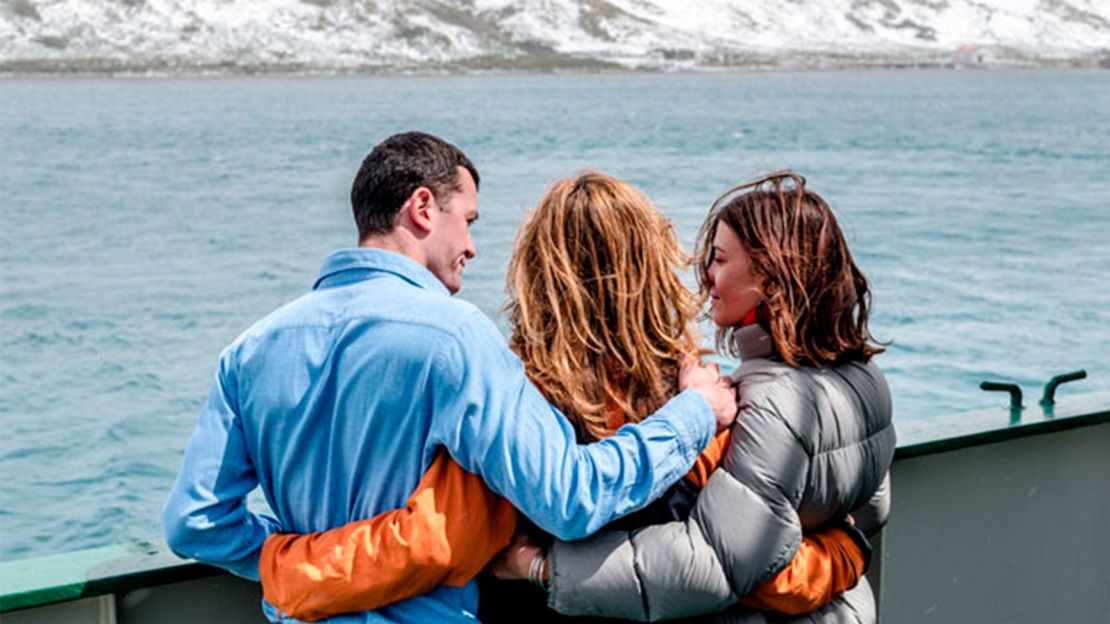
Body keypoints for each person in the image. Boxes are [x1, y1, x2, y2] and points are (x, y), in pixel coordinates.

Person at [161, 132, 740, 624]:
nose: (471, 246)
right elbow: (569, 497)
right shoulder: (454, 337)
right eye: (466, 220)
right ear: (421, 208)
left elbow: (196, 523)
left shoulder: (250, 349)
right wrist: (693, 412)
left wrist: (298, 561)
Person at [256, 172, 873, 623]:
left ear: (536, 275)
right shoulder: (707, 396)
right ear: (655, 267)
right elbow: (757, 570)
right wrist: (844, 553)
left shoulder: (513, 398)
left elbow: (426, 544)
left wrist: (284, 569)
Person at [495, 171, 896, 623]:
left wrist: (542, 568)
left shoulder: (511, 391)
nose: (705, 275)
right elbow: (866, 509)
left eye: (719, 260)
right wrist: (844, 551)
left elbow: (729, 565)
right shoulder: (861, 380)